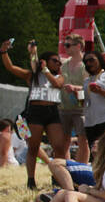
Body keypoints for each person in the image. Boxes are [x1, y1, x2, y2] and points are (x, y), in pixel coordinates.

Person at [3, 39, 68, 190]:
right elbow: (11, 67)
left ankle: (57, 176)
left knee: (59, 147)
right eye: (55, 61)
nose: (58, 64)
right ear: (45, 61)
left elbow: (57, 85)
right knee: (33, 147)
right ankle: (31, 180)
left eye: (59, 62)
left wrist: (46, 71)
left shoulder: (60, 76)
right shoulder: (32, 76)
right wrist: (4, 52)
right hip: (35, 111)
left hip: (53, 111)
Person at [59, 34, 87, 162]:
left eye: (68, 45)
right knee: (63, 141)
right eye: (65, 45)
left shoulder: (86, 65)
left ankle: (82, 169)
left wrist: (75, 88)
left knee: (83, 141)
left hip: (81, 108)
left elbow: (88, 86)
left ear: (79, 46)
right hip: (63, 107)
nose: (65, 48)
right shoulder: (63, 64)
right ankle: (66, 168)